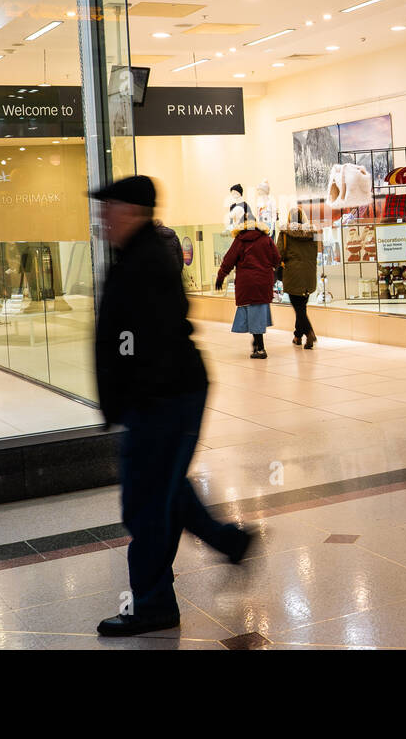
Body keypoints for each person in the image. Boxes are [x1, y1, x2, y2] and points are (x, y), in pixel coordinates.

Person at [91, 175, 252, 637]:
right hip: (160, 399)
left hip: (165, 400)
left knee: (145, 506)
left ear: (133, 212)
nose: (103, 218)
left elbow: (148, 341)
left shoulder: (146, 261)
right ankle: (230, 542)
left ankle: (153, 605)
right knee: (163, 490)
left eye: (110, 208)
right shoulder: (136, 255)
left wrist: (134, 396)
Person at [215, 205, 281, 358]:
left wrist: (221, 276)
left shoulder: (240, 240)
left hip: (247, 282)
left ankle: (260, 349)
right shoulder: (266, 239)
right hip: (264, 281)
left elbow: (228, 260)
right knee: (257, 314)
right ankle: (257, 344)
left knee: (254, 313)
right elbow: (276, 259)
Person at [278, 206, 318, 348]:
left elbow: (279, 254)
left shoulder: (284, 233)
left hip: (293, 273)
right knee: (302, 306)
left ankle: (309, 333)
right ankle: (297, 336)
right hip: (309, 273)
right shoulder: (313, 232)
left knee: (299, 308)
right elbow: (316, 251)